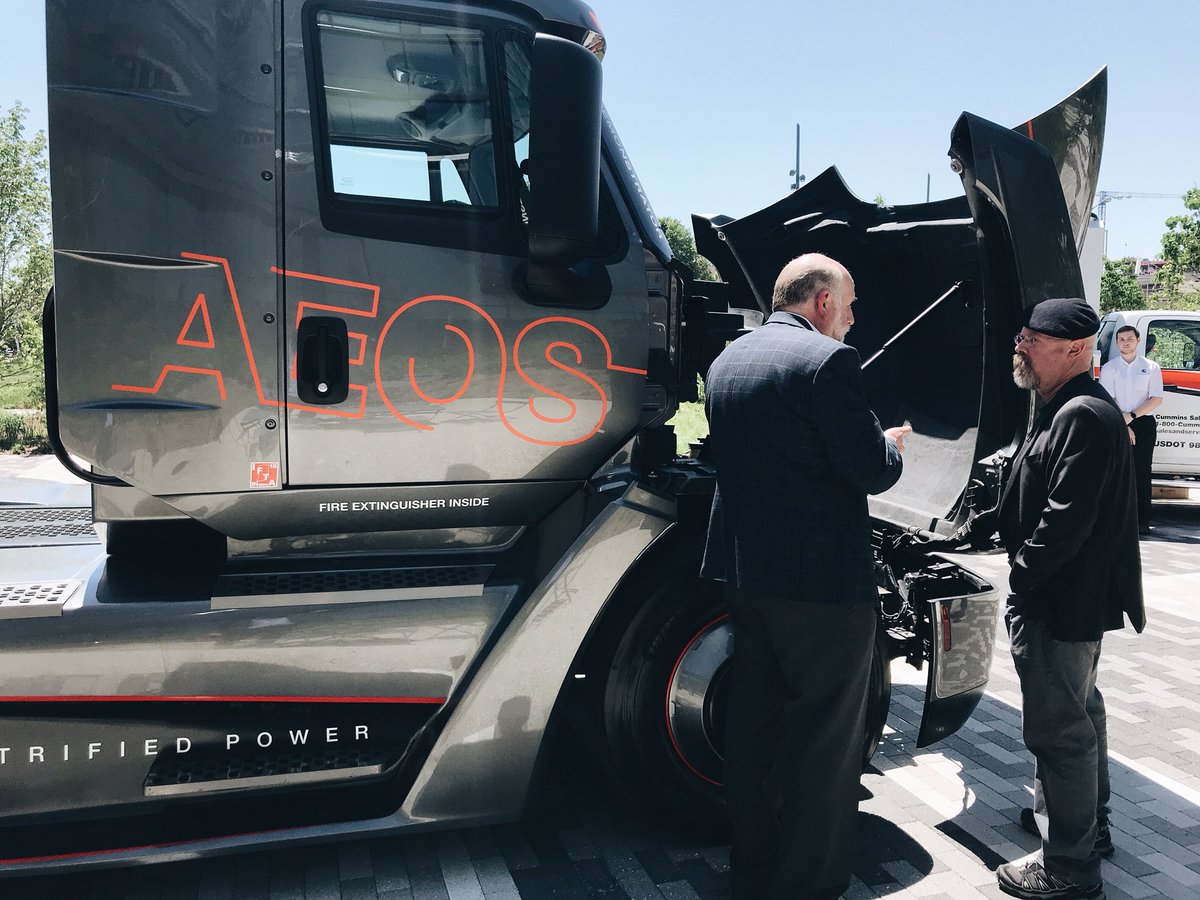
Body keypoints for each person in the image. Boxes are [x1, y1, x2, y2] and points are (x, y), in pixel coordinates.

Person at [701, 253, 911, 899]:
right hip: (820, 587)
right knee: (825, 743)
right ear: (821, 302)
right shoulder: (826, 361)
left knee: (753, 724)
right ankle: (808, 888)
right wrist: (890, 443)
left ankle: (752, 868)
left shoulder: (727, 361)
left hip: (746, 572)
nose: (851, 320)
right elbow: (871, 470)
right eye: (848, 305)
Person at [992, 298, 1146, 900]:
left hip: (1060, 602)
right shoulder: (1064, 405)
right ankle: (1090, 829)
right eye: (1022, 334)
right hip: (1073, 601)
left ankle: (1069, 867)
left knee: (1061, 732)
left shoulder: (1082, 411)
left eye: (1033, 339)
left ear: (1076, 350)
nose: (1020, 346)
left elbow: (1065, 521)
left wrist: (1022, 581)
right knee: (1083, 716)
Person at [1099, 325, 1163, 533]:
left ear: (1137, 340)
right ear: (1117, 343)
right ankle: (1114, 519)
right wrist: (1123, 425)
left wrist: (1132, 417)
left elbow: (1156, 398)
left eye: (1129, 338)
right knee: (1115, 471)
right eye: (1121, 339)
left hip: (1142, 422)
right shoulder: (1110, 368)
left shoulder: (1151, 367)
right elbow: (1107, 399)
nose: (1125, 342)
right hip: (1116, 420)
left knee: (1141, 470)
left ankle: (1142, 521)